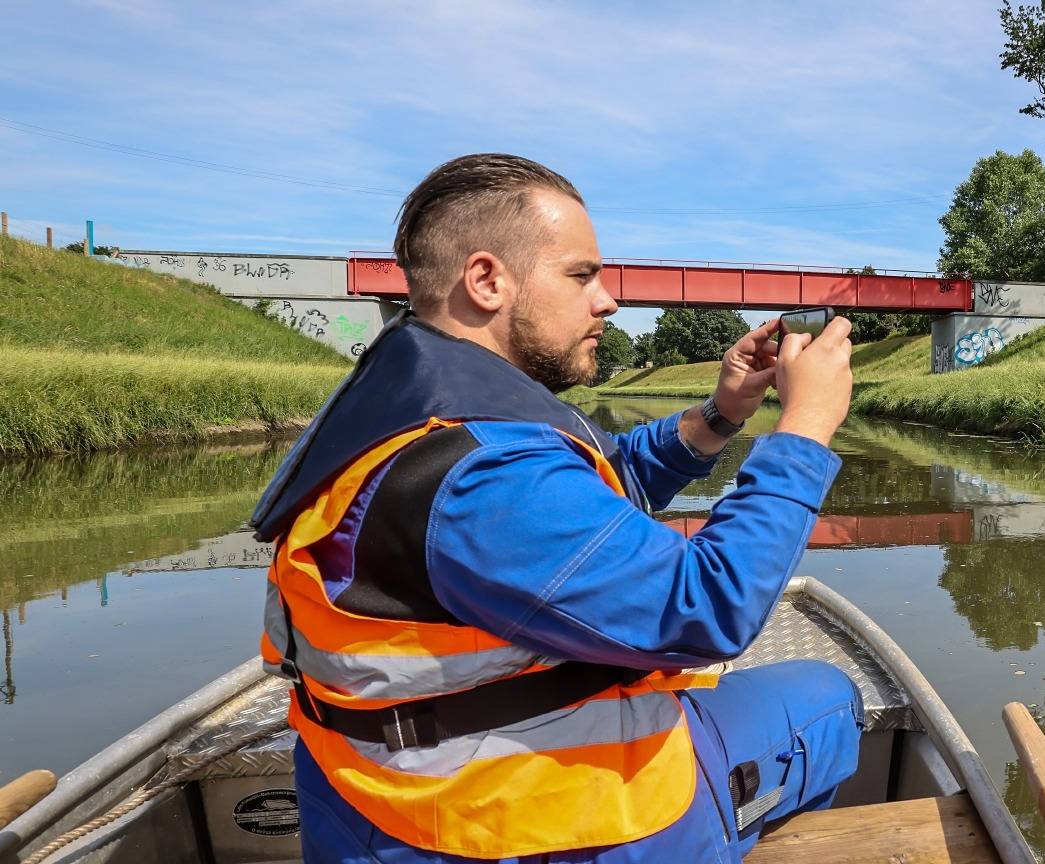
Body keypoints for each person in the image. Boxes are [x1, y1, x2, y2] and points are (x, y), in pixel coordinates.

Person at [249, 153, 862, 862]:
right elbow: (707, 608)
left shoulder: (418, 410)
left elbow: (604, 488)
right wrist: (806, 428)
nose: (608, 300)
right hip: (526, 825)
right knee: (827, 699)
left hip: (372, 799)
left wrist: (723, 413)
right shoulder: (487, 474)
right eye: (581, 275)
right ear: (487, 280)